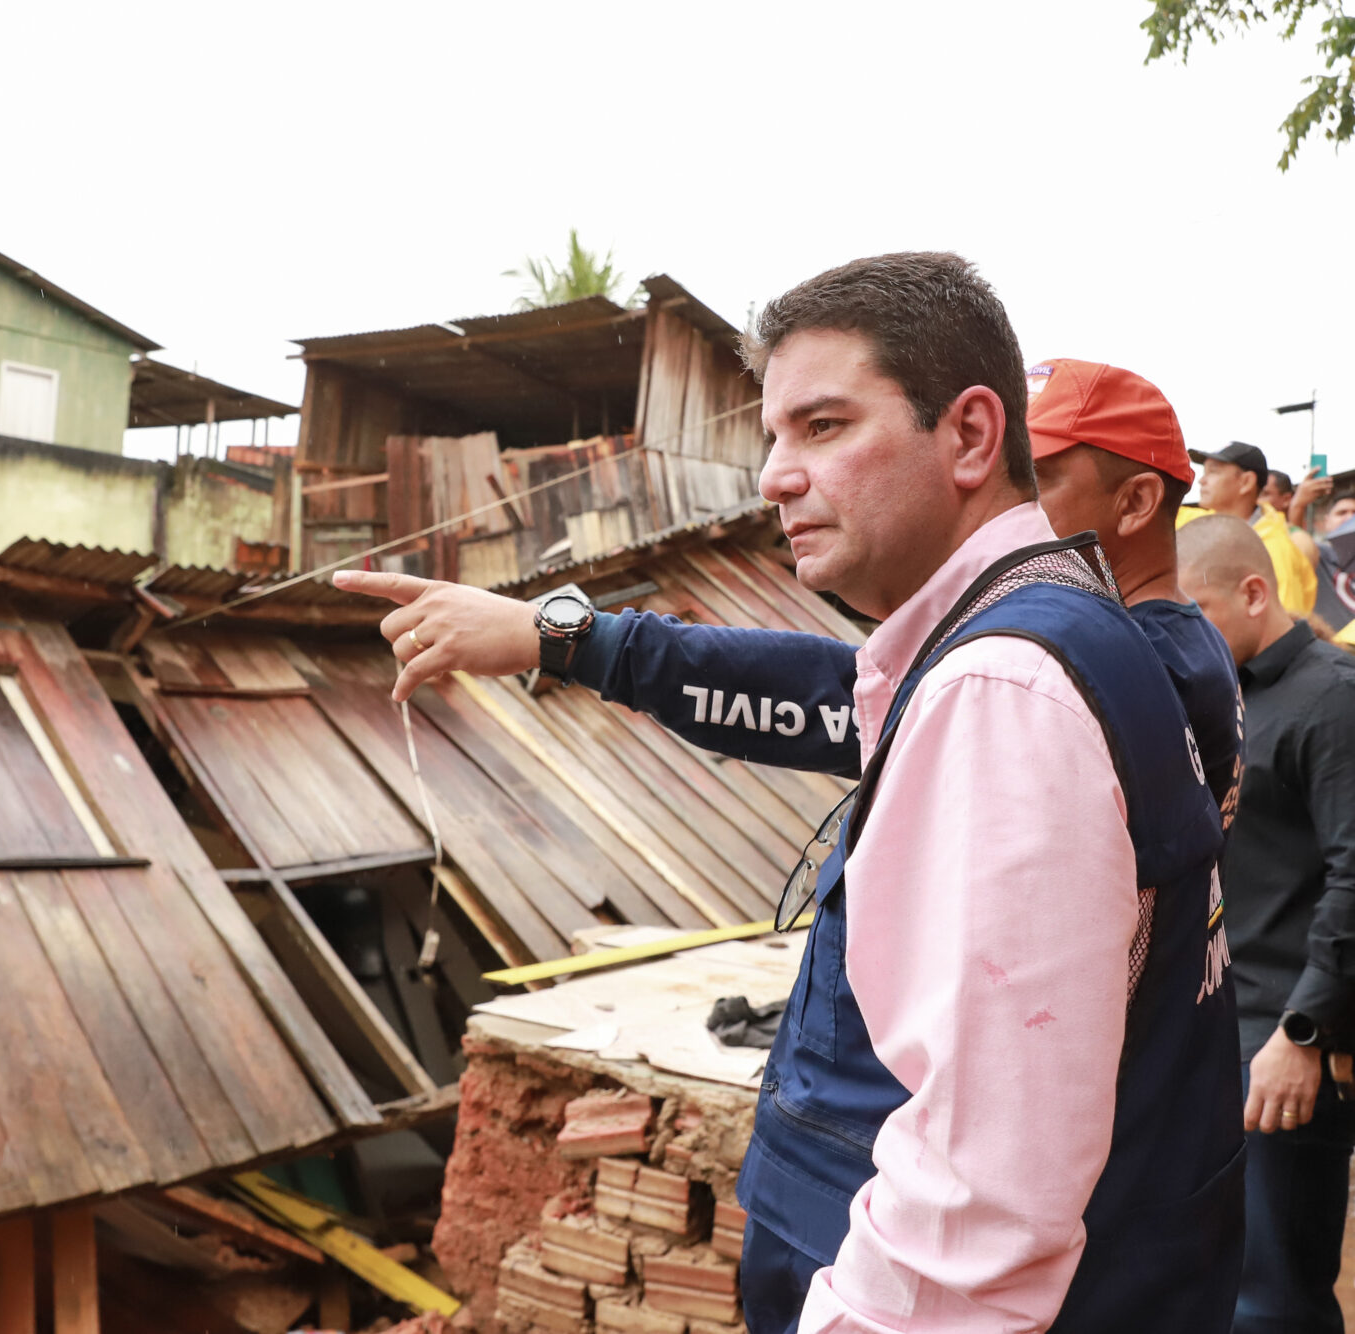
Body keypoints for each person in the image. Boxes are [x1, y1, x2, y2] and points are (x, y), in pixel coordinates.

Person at [337, 253, 1240, 1332]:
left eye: (820, 426)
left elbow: (978, 1199)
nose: (771, 475)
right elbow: (835, 694)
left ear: (967, 436)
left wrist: (570, 639)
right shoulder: (1043, 638)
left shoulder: (1007, 686)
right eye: (773, 435)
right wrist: (564, 636)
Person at [1178, 517, 1355, 1334]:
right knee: (1209, 1265)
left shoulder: (1331, 699)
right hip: (1217, 1015)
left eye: (1197, 611)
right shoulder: (1221, 698)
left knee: (1273, 1288)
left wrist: (1305, 1031)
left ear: (1255, 593)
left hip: (1284, 1037)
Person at [1182, 442, 1318, 616]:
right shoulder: (1196, 524)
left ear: (1246, 482)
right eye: (1204, 472)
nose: (1202, 480)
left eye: (1213, 471)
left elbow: (1285, 625)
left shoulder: (1274, 551)